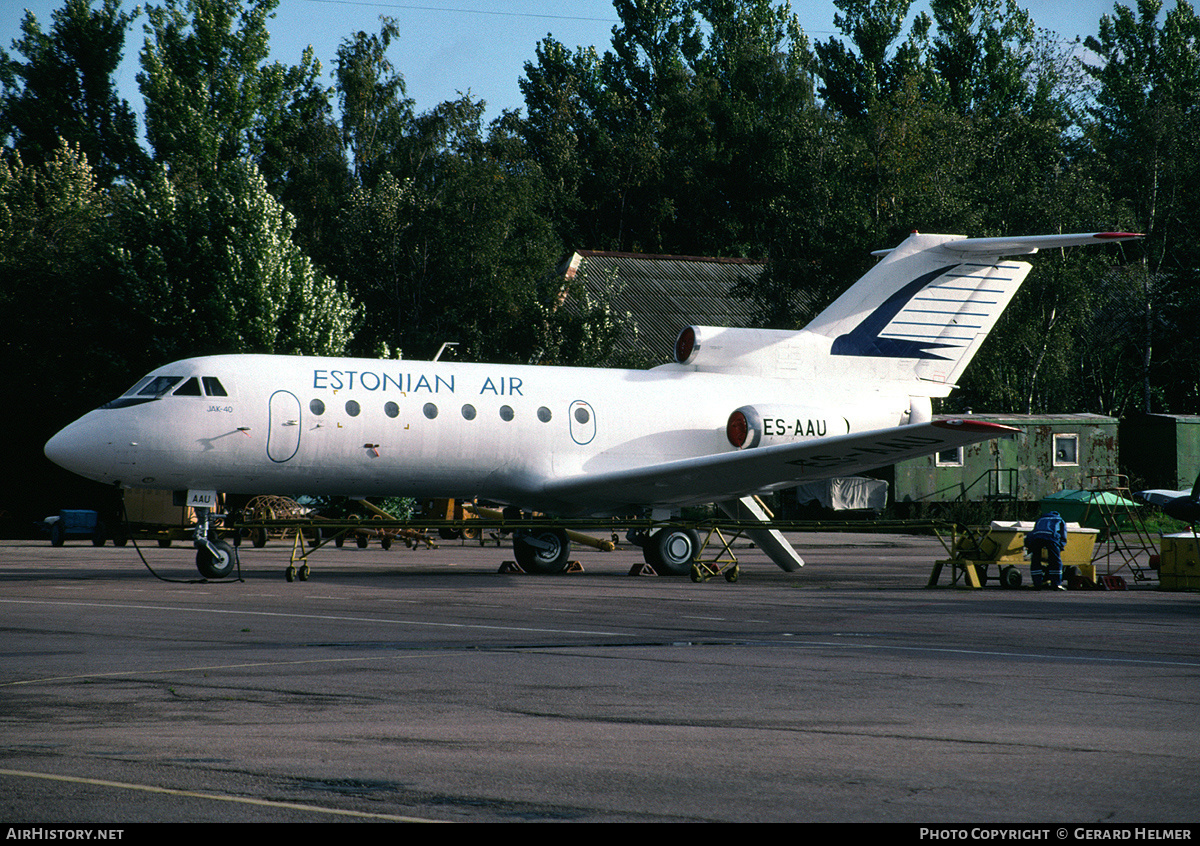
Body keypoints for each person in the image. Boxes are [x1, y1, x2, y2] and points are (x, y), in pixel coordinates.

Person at [1025, 511, 1068, 590]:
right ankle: (1056, 584)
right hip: (1051, 537)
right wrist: (1061, 546)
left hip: (1037, 538)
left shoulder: (1040, 519)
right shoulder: (1059, 519)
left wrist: (1029, 545)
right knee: (1055, 560)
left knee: (1035, 560)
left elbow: (1033, 531)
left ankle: (1037, 583)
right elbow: (1063, 533)